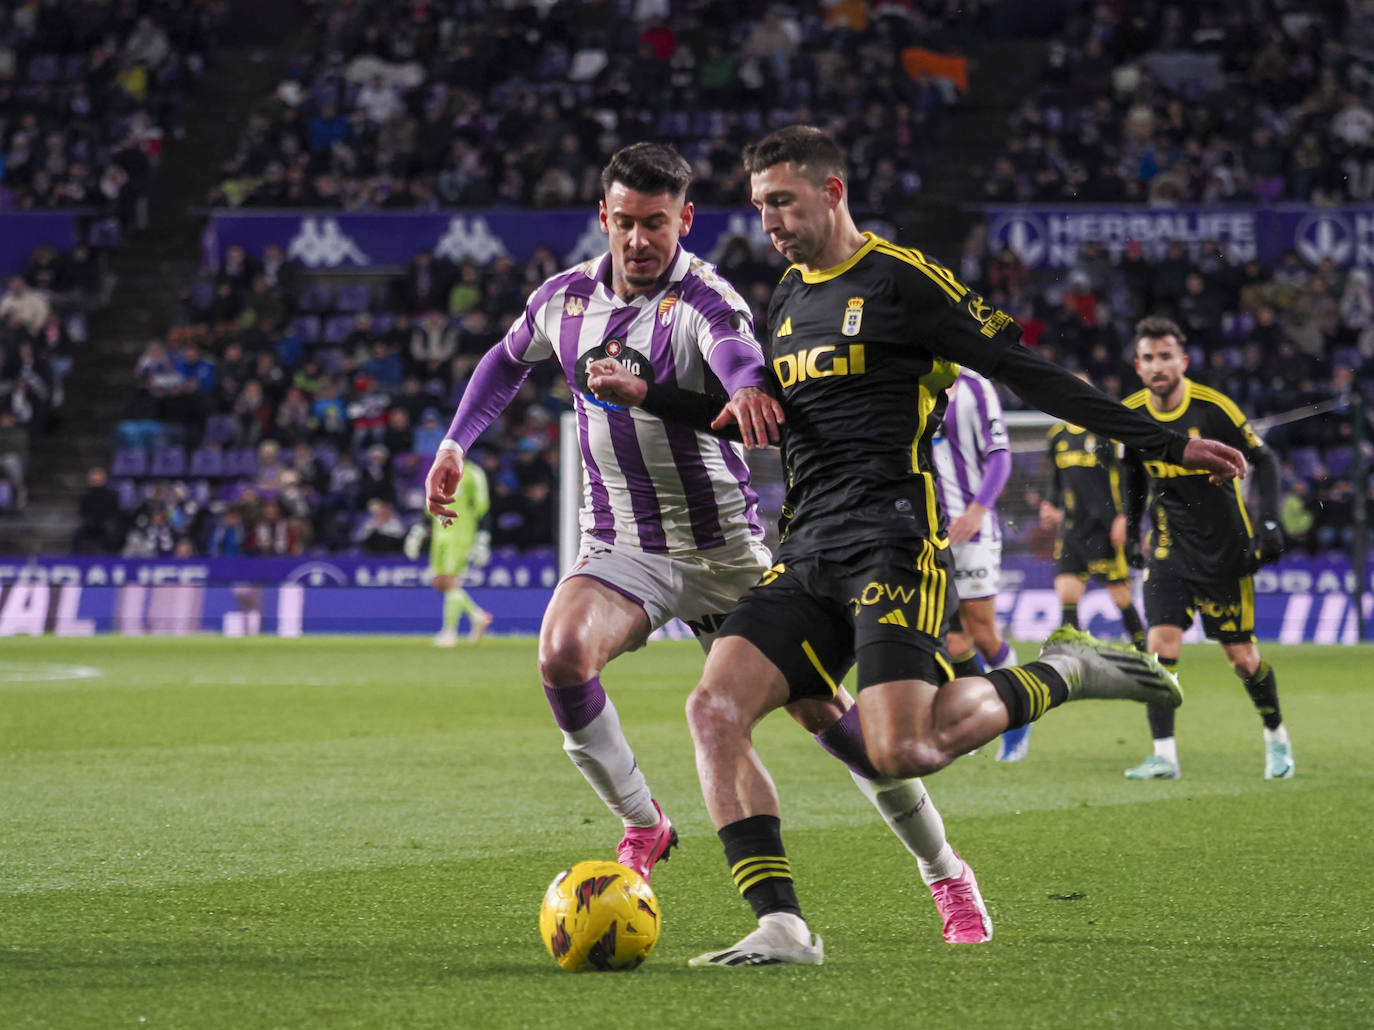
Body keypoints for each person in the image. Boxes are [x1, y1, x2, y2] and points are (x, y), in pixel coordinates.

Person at [588, 125, 1245, 966]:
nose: (771, 224)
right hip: (808, 547)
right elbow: (758, 421)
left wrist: (1165, 441)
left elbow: (1029, 371)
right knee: (714, 708)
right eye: (759, 208)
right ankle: (782, 924)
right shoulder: (786, 298)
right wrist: (648, 393)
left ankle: (1064, 669)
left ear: (832, 191)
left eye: (782, 203)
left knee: (902, 746)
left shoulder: (904, 283)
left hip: (892, 542)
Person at [427, 142, 997, 944]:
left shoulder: (707, 299)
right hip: (624, 546)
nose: (639, 240)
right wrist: (457, 443)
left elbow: (737, 359)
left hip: (728, 554)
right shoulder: (561, 300)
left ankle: (945, 872)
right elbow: (503, 360)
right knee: (560, 652)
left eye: (656, 223)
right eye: (625, 222)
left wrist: (747, 388)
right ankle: (644, 823)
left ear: (684, 219)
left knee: (841, 729)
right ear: (604, 218)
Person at [1120, 316, 1291, 781]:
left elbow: (1265, 459)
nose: (1158, 366)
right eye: (1149, 358)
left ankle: (1275, 735)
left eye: (1166, 357)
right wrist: (1132, 529)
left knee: (1242, 658)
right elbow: (1132, 473)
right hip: (1169, 546)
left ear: (1183, 362)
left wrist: (1270, 519)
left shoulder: (1213, 408)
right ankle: (1164, 756)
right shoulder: (1132, 410)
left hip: (1225, 551)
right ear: (1138, 365)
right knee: (1160, 646)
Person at [931, 368, 1029, 762]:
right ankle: (977, 722)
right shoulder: (912, 377)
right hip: (929, 532)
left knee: (983, 636)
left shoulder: (976, 386)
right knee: (953, 643)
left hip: (971, 532)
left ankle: (1019, 719)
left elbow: (1000, 456)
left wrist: (977, 510)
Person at [1039, 372, 1149, 653]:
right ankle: (1072, 660)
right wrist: (1051, 504)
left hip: (1105, 529)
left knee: (1120, 596)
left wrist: (1126, 517)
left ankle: (1146, 651)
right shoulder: (1058, 436)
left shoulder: (1105, 433)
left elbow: (1127, 476)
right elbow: (1057, 479)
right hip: (1073, 530)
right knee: (1067, 592)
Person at [407, 458, 493, 646]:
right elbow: (430, 505)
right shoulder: (438, 471)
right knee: (439, 582)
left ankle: (450, 632)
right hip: (440, 536)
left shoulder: (473, 473)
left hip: (460, 534)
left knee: (449, 581)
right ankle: (477, 615)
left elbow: (483, 508)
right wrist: (418, 533)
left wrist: (482, 540)